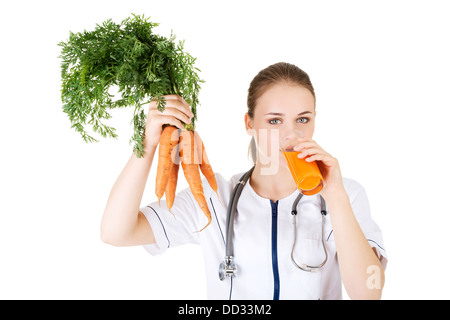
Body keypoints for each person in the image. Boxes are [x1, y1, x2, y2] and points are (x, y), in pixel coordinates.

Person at [101, 62, 387, 300]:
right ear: (249, 123)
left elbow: (369, 292)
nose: (291, 135)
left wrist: (335, 197)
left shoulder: (346, 194)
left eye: (302, 119)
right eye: (275, 121)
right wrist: (149, 144)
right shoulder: (215, 198)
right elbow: (116, 232)